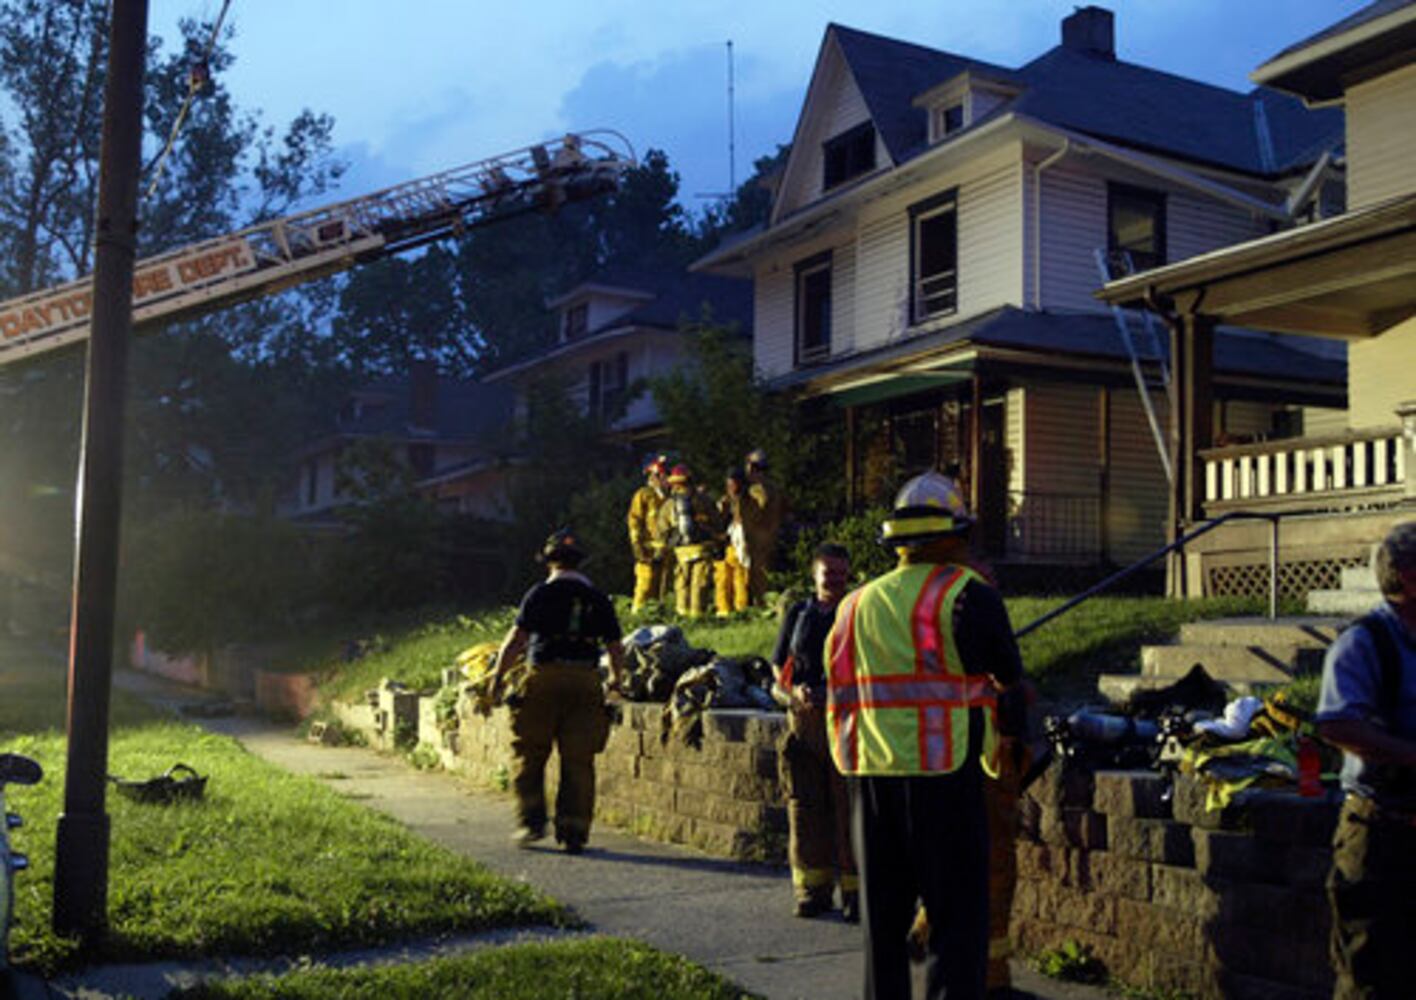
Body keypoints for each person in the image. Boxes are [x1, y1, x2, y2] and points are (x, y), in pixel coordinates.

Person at [825, 471, 1023, 1000]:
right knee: (957, 923)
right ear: (955, 535)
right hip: (946, 777)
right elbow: (1009, 679)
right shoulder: (967, 594)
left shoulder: (853, 605)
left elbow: (841, 690)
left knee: (882, 928)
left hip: (869, 778)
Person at [1316, 520, 1416, 998]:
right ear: (1408, 575)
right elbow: (1337, 724)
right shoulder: (1365, 642)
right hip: (1381, 832)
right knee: (1371, 977)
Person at [490, 529, 626, 855]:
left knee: (529, 752)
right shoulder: (598, 598)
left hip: (543, 677)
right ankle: (575, 832)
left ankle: (532, 823)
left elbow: (516, 641)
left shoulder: (538, 594)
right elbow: (616, 647)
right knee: (579, 759)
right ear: (580, 561)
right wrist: (616, 682)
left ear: (549, 562)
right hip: (585, 680)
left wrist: (498, 677)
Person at [773, 542, 859, 921]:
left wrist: (835, 692)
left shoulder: (858, 611)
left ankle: (855, 894)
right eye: (829, 573)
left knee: (849, 810)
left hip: (846, 722)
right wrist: (794, 691)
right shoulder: (799, 612)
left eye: (841, 573)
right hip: (804, 723)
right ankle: (812, 890)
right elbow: (780, 665)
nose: (835, 580)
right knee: (804, 810)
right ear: (814, 575)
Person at [658, 464, 718, 618]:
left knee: (681, 584)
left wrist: (666, 543)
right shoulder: (703, 499)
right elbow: (716, 521)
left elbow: (662, 528)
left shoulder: (669, 504)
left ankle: (682, 615)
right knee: (700, 584)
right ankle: (697, 616)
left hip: (681, 551)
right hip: (702, 548)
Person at [742, 448, 786, 605]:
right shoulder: (774, 488)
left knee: (757, 573)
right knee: (764, 571)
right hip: (770, 536)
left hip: (757, 538)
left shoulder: (756, 491)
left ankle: (759, 602)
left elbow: (755, 514)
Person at [627, 455, 670, 612]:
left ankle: (658, 616)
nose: (667, 479)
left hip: (666, 550)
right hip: (648, 551)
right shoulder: (644, 495)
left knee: (663, 589)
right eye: (664, 475)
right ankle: (637, 617)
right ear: (655, 476)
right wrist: (637, 546)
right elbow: (635, 521)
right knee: (645, 585)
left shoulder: (670, 497)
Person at [715, 468, 751, 617]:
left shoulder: (749, 501)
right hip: (727, 545)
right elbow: (717, 522)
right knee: (723, 578)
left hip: (742, 544)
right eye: (728, 485)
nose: (731, 488)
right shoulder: (724, 501)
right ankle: (723, 609)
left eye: (733, 484)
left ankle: (741, 609)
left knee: (741, 578)